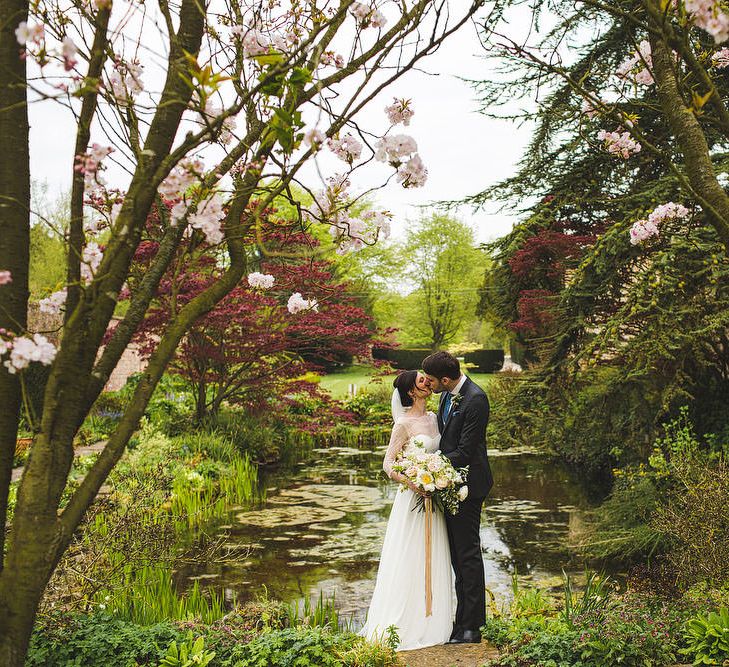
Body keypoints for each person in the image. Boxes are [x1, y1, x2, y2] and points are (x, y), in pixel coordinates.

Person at [359, 370, 454, 651]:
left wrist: (438, 479)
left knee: (434, 555)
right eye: (422, 381)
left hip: (434, 498)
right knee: (411, 555)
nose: (428, 383)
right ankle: (406, 622)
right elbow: (388, 464)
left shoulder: (435, 418)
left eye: (427, 379)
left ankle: (435, 620)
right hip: (412, 500)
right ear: (411, 392)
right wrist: (414, 482)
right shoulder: (402, 424)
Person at [422, 350, 492, 645]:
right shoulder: (447, 396)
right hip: (448, 485)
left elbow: (464, 451)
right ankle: (461, 622)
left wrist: (427, 464)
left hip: (469, 486)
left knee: (468, 555)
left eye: (431, 380)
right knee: (456, 557)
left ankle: (472, 627)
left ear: (446, 379)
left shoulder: (476, 399)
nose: (428, 384)